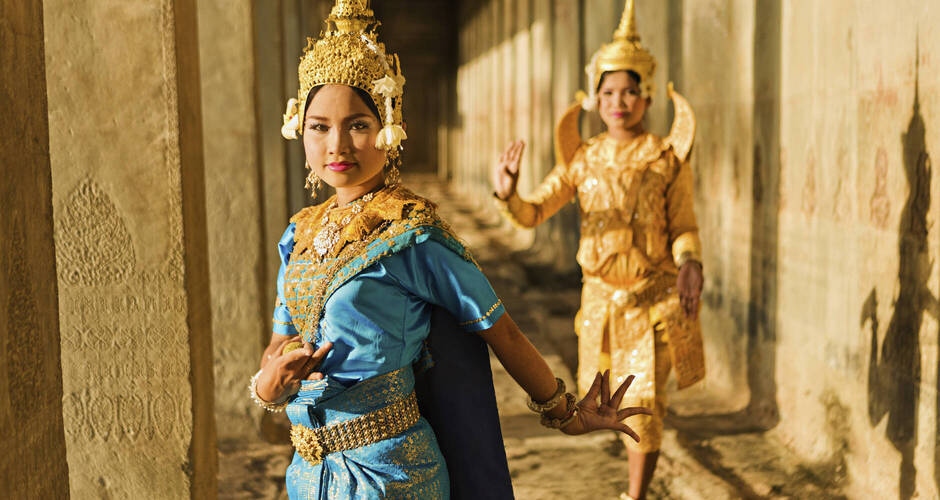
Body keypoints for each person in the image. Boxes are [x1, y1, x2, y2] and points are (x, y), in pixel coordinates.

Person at [248, 2, 651, 498]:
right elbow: (278, 342)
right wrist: (269, 386)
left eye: (357, 124)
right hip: (308, 478)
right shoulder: (299, 236)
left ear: (389, 128)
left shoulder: (414, 237)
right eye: (319, 126)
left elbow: (500, 330)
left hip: (395, 475)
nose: (338, 146)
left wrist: (566, 413)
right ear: (300, 129)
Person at [491, 1, 705, 499]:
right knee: (606, 404)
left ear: (647, 97)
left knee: (646, 404)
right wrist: (509, 193)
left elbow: (685, 226)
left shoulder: (666, 159)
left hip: (653, 301)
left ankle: (636, 494)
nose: (619, 101)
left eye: (630, 91)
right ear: (594, 98)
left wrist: (690, 262)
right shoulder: (583, 160)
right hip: (602, 304)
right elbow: (534, 212)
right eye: (609, 91)